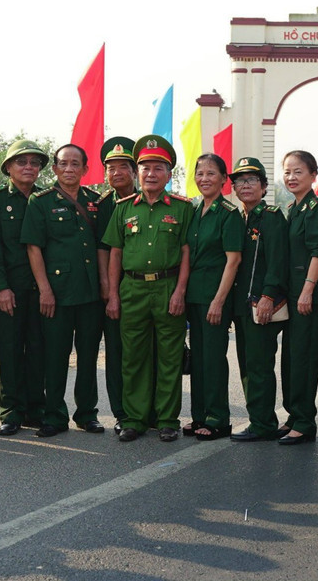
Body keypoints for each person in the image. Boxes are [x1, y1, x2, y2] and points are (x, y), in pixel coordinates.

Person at [103, 134, 193, 442]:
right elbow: (115, 252)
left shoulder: (182, 209)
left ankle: (167, 419)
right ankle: (135, 419)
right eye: (145, 168)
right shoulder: (124, 208)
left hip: (168, 287)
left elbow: (186, 252)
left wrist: (180, 291)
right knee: (134, 357)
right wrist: (113, 294)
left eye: (158, 169)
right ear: (137, 173)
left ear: (169, 175)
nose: (151, 174)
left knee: (170, 356)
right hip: (133, 289)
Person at [21, 143, 109, 438]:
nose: (69, 169)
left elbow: (102, 247)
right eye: (63, 164)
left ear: (85, 169)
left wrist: (105, 287)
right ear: (55, 169)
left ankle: (87, 414)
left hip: (90, 293)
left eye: (75, 164)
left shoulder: (96, 201)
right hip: (56, 295)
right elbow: (34, 248)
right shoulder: (40, 202)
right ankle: (55, 415)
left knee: (88, 356)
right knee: (55, 357)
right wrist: (44, 289)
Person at [0, 139, 49, 435]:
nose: (29, 167)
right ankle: (11, 413)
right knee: (9, 351)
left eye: (34, 163)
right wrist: (1, 287)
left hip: (42, 290)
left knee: (38, 350)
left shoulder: (48, 199)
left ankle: (36, 409)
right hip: (10, 289)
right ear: (8, 167)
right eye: (22, 162)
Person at [278, 150, 318, 446]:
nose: (291, 177)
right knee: (291, 357)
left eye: (298, 171)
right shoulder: (295, 208)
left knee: (303, 358)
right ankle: (293, 416)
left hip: (310, 298)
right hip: (294, 295)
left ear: (314, 175)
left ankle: (304, 422)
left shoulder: (316, 210)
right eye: (287, 171)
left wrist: (307, 290)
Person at [229, 157, 291, 442]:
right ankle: (259, 418)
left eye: (252, 180)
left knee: (259, 365)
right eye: (240, 181)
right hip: (242, 304)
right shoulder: (239, 217)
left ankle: (264, 423)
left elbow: (278, 261)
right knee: (247, 363)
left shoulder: (272, 216)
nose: (245, 185)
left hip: (261, 303)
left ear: (264, 187)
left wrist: (268, 296)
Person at [184, 154, 242, 440]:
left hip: (214, 297)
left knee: (214, 358)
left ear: (223, 179)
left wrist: (219, 301)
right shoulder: (194, 211)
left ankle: (218, 418)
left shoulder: (228, 214)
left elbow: (233, 261)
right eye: (200, 173)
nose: (204, 178)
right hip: (194, 296)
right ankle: (199, 416)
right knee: (198, 359)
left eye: (211, 173)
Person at [99, 136, 139, 431]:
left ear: (134, 171)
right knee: (117, 352)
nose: (116, 173)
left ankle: (145, 409)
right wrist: (108, 289)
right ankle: (123, 412)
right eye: (110, 168)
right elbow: (103, 250)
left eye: (123, 167)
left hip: (145, 288)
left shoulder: (149, 199)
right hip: (115, 288)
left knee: (144, 351)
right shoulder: (102, 206)